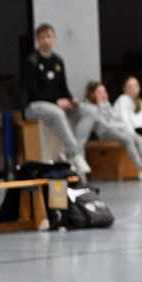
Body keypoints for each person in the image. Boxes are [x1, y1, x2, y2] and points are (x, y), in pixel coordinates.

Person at [20, 23, 92, 180]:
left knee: (90, 111)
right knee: (57, 112)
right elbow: (33, 92)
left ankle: (73, 151)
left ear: (54, 38)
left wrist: (71, 99)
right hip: (34, 106)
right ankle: (75, 155)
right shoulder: (31, 62)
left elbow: (63, 87)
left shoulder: (58, 60)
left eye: (49, 36)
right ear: (38, 39)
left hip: (55, 103)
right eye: (42, 37)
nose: (46, 40)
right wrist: (56, 102)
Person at [82, 81, 142, 179]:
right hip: (105, 132)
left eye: (104, 91)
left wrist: (105, 105)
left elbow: (116, 118)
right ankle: (141, 169)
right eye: (100, 92)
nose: (103, 94)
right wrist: (101, 104)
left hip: (117, 130)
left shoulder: (107, 105)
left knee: (137, 138)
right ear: (93, 94)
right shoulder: (91, 108)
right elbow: (104, 124)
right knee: (128, 139)